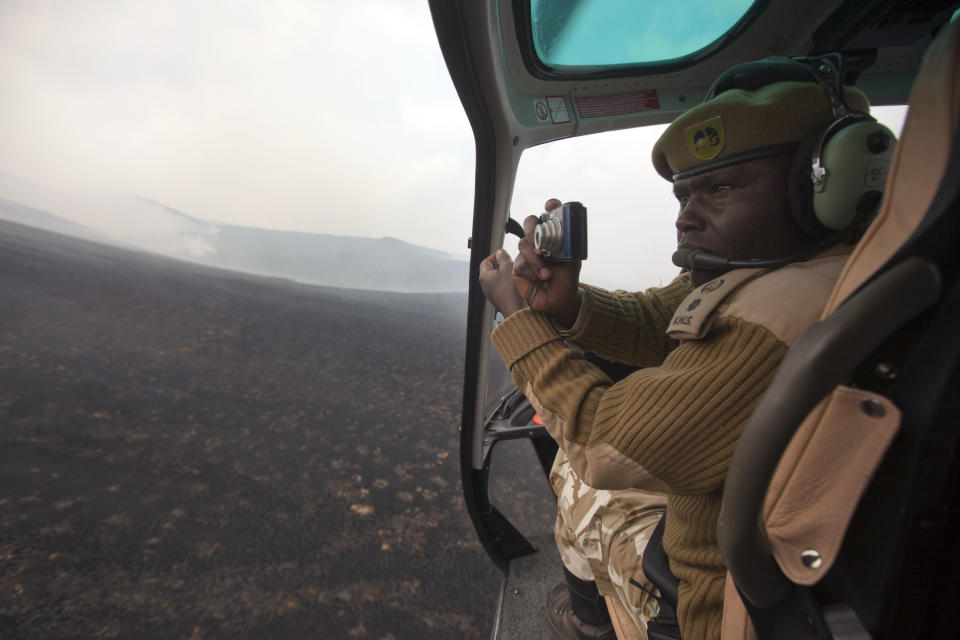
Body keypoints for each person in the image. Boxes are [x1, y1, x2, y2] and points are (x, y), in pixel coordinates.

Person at [479, 79, 876, 640]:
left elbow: (596, 438)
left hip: (711, 601)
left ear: (819, 187)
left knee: (577, 474)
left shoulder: (781, 319)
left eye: (719, 189)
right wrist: (568, 306)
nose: (685, 217)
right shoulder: (780, 270)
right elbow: (659, 318)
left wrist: (518, 317)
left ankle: (590, 620)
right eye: (683, 196)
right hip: (732, 527)